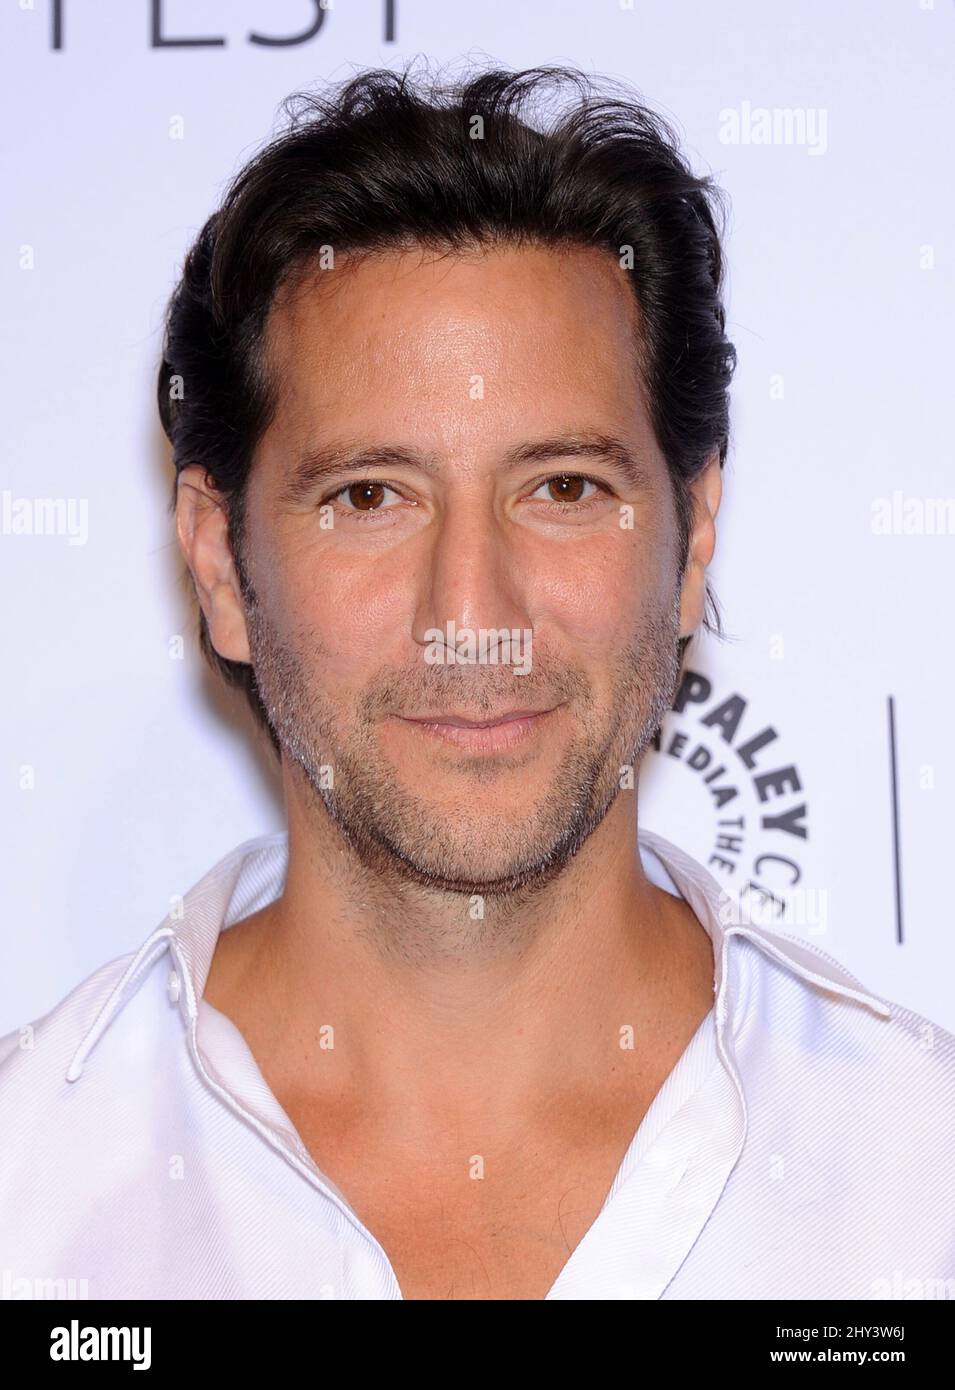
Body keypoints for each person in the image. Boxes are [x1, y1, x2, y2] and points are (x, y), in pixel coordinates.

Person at [2, 62, 953, 1303]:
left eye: (562, 487)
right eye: (368, 497)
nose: (472, 616)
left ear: (691, 536)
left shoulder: (917, 1179)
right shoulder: (33, 1186)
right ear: (219, 561)